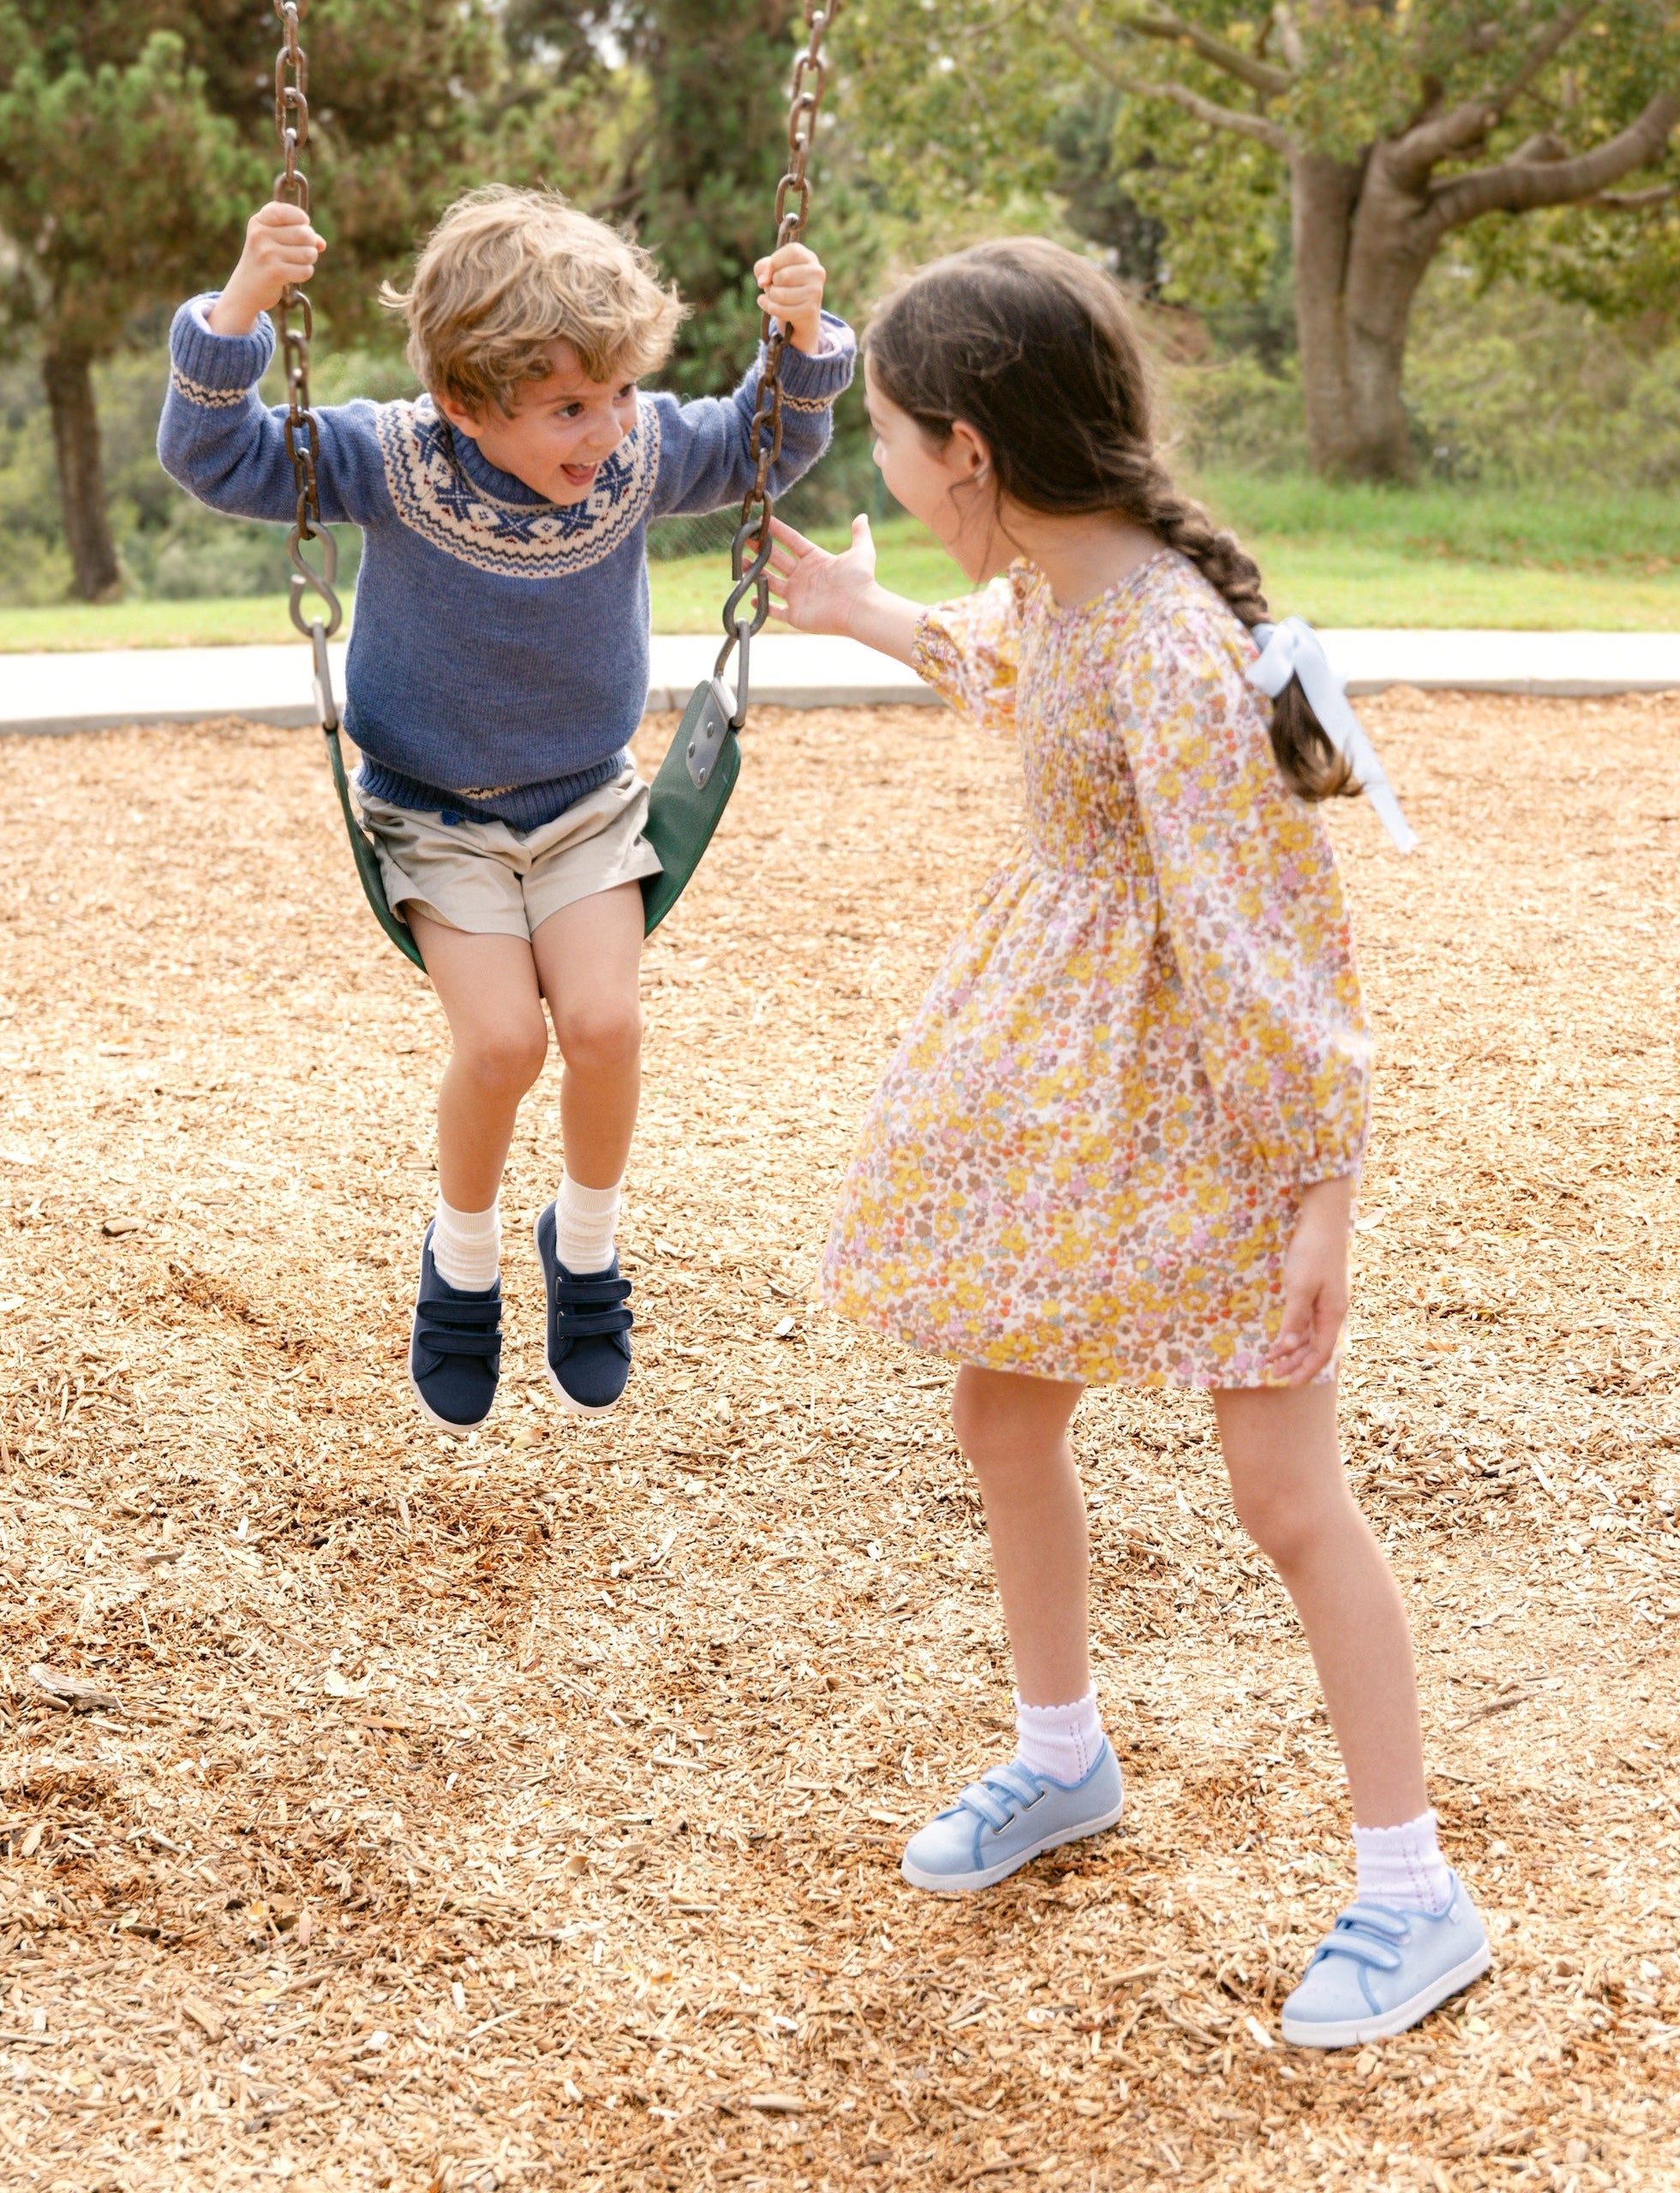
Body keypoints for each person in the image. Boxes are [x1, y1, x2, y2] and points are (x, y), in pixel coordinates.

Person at [764, 236, 1488, 2049]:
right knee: (1002, 1408)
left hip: (1209, 1114)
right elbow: (1031, 694)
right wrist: (866, 616)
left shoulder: (1165, 635)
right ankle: (1060, 1755)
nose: (895, 481)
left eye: (893, 448)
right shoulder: (1075, 597)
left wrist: (1323, 1183)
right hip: (1078, 1101)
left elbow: (1264, 926)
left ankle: (1414, 1892)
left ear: (974, 455)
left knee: (1285, 1493)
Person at [159, 188, 856, 1431]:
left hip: (587, 802)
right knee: (499, 1047)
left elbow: (763, 442)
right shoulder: (391, 458)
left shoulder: (634, 457)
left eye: (620, 396)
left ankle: (582, 1245)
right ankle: (464, 1258)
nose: (606, 432)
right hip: (432, 813)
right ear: (469, 404)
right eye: (569, 409)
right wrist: (244, 303)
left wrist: (803, 346)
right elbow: (217, 455)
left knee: (603, 1026)